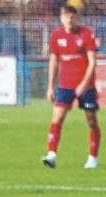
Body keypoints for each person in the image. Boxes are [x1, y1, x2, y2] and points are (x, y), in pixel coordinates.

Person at [44, 4, 99, 169]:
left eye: (72, 16)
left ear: (77, 18)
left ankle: (92, 158)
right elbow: (53, 62)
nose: (69, 19)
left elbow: (92, 62)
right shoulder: (56, 35)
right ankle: (51, 155)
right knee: (57, 117)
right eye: (66, 16)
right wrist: (50, 87)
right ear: (61, 18)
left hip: (86, 87)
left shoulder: (86, 34)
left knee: (91, 121)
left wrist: (84, 83)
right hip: (65, 86)